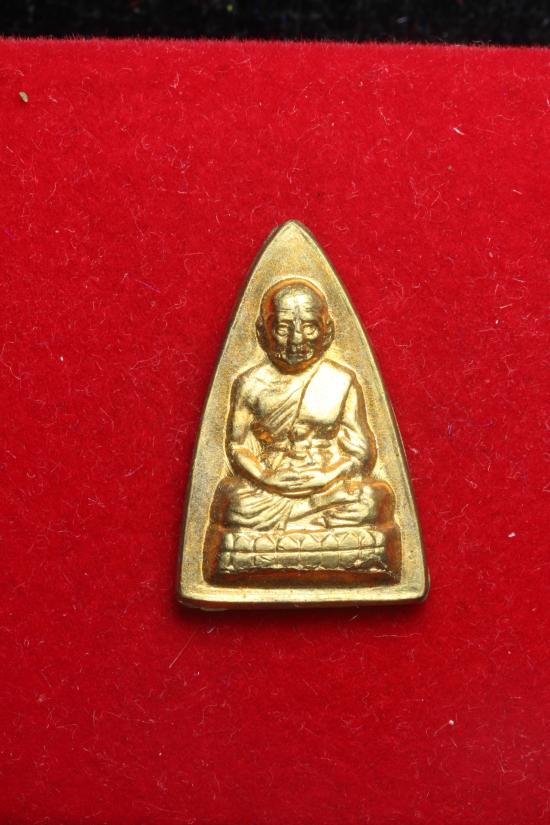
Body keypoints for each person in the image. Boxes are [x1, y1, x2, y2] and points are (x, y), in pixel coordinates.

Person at [209, 277, 393, 534]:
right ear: (262, 332)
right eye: (283, 328)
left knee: (375, 498)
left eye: (309, 327)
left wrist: (327, 476)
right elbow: (237, 446)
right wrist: (266, 477)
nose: (296, 340)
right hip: (270, 486)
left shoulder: (341, 380)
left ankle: (302, 519)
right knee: (232, 501)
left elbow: (361, 454)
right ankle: (313, 523)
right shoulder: (249, 384)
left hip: (328, 484)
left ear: (328, 332)